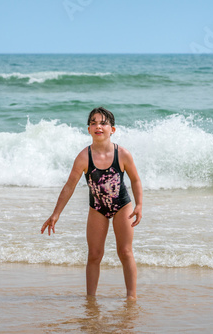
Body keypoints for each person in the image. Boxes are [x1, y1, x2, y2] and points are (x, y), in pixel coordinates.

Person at [41, 107, 143, 300]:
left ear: (112, 129)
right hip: (97, 208)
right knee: (94, 254)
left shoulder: (122, 154)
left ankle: (131, 297)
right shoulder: (83, 157)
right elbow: (69, 186)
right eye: (94, 123)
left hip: (122, 206)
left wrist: (138, 205)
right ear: (88, 129)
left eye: (103, 123)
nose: (98, 126)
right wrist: (56, 214)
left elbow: (136, 180)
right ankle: (91, 298)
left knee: (125, 251)